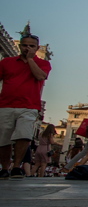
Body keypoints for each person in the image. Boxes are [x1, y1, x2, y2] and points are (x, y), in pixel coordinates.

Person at [0, 31, 51, 179]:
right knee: (4, 139)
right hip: (6, 104)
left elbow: (41, 76)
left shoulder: (43, 63)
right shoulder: (6, 62)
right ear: (19, 46)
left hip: (29, 106)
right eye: (24, 45)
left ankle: (16, 167)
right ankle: (4, 167)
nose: (27, 48)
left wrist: (30, 60)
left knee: (24, 136)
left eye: (31, 46)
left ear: (37, 48)